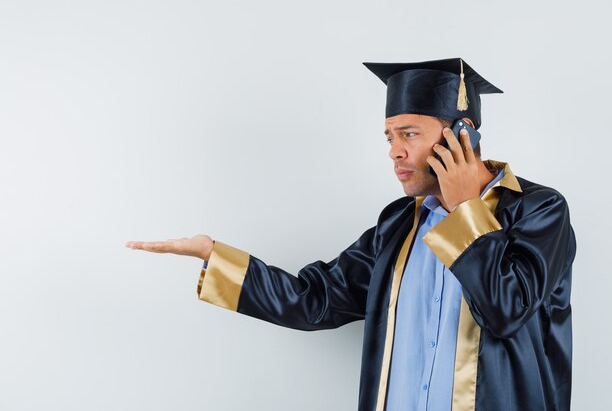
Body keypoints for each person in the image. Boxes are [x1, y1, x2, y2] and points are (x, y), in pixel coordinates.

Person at [126, 58, 576, 411]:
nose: (394, 151)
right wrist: (214, 256)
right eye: (388, 136)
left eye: (409, 133)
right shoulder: (399, 225)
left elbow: (506, 308)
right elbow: (315, 299)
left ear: (463, 136)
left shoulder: (538, 210)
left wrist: (464, 209)